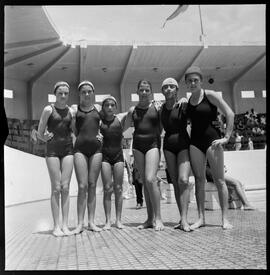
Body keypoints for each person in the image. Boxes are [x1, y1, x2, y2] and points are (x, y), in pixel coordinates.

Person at [185, 66, 235, 230]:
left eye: (195, 80)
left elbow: (230, 113)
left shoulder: (210, 95)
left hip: (212, 141)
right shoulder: (188, 101)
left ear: (201, 81)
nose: (193, 83)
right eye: (190, 81)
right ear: (186, 83)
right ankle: (201, 218)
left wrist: (226, 137)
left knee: (220, 180)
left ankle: (225, 219)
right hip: (195, 143)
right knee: (199, 180)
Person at [125, 79, 164, 231]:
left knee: (150, 179)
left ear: (151, 92)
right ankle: (149, 218)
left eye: (147, 90)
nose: (144, 92)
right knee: (144, 183)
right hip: (138, 147)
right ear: (137, 92)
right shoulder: (132, 111)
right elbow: (123, 127)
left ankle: (159, 218)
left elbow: (161, 128)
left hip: (153, 145)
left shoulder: (156, 108)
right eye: (141, 90)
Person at [37, 81, 74, 237]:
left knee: (66, 187)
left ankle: (65, 225)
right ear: (55, 94)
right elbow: (39, 132)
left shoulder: (71, 111)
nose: (63, 96)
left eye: (66, 93)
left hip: (68, 150)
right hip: (52, 151)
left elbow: (73, 131)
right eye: (60, 93)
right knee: (56, 188)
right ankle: (56, 226)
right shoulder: (48, 109)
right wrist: (45, 138)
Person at [160, 77, 192, 231]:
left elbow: (196, 112)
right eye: (165, 87)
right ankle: (183, 219)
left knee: (183, 180)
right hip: (168, 146)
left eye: (171, 86)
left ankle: (185, 219)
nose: (168, 89)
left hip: (183, 144)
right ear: (162, 91)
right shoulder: (161, 109)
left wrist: (186, 98)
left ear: (177, 90)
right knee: (176, 183)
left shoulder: (184, 105)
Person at [71, 80, 103, 234]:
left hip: (96, 149)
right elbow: (72, 129)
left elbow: (108, 122)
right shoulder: (74, 109)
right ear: (79, 93)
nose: (86, 94)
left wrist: (102, 134)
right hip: (80, 150)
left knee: (92, 185)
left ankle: (91, 222)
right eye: (83, 92)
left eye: (89, 91)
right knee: (82, 186)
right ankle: (79, 224)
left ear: (93, 92)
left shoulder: (98, 108)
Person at [99, 96, 128, 230]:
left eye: (112, 105)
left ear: (115, 107)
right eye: (107, 105)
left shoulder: (120, 119)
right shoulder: (99, 121)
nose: (110, 107)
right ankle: (107, 221)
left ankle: (118, 220)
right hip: (105, 156)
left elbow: (132, 111)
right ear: (103, 108)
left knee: (118, 188)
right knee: (107, 189)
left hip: (118, 157)